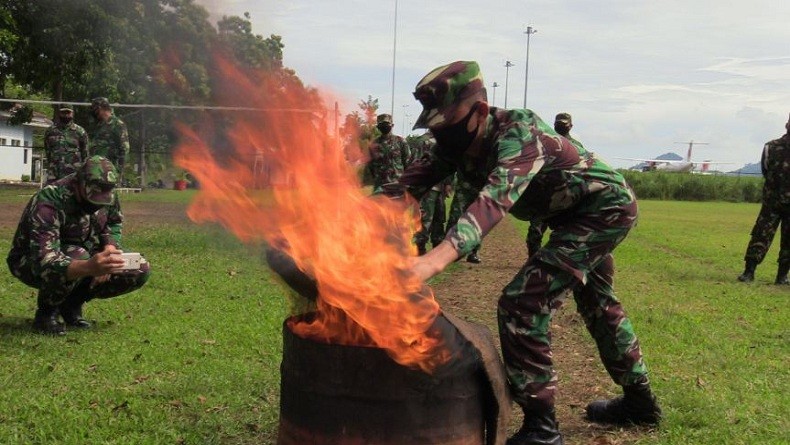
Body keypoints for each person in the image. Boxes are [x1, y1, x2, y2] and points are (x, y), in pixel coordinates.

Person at [387, 61, 660, 445]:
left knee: (524, 300)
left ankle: (542, 430)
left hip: (605, 209)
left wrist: (432, 260)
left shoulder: (519, 131)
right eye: (433, 126)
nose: (439, 134)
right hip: (569, 216)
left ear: (479, 111)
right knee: (599, 301)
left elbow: (494, 199)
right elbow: (402, 188)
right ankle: (640, 404)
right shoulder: (456, 143)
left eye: (446, 124)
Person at [6, 156, 151, 335]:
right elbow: (43, 258)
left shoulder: (107, 192)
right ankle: (46, 314)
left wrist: (110, 249)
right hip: (29, 262)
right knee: (79, 255)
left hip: (85, 255)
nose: (96, 204)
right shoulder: (50, 199)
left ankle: (72, 305)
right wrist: (89, 267)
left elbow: (113, 222)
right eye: (92, 197)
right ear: (78, 183)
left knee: (138, 266)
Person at [737, 113, 790, 285]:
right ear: (787, 125)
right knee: (760, 235)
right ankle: (749, 272)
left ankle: (782, 276)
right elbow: (766, 170)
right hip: (772, 202)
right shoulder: (771, 147)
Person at [525, 113, 581, 257]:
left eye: (564, 123)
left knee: (567, 232)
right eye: (558, 123)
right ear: (554, 124)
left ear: (571, 126)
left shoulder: (576, 146)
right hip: (545, 195)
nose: (561, 126)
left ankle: (563, 262)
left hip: (567, 196)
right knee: (535, 233)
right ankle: (533, 260)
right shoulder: (544, 142)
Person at [43, 104, 89, 183]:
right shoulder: (50, 131)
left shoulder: (80, 131)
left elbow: (85, 154)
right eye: (63, 112)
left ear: (72, 113)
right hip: (54, 173)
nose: (66, 115)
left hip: (73, 174)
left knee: (73, 195)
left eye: (68, 112)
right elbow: (48, 151)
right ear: (59, 113)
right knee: (52, 194)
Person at [366, 113, 411, 194]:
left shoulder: (401, 141)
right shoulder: (373, 145)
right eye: (381, 124)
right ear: (377, 127)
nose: (384, 126)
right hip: (380, 187)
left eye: (386, 124)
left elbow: (408, 163)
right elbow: (371, 166)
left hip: (397, 185)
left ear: (392, 125)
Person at [88, 97, 130, 181]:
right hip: (97, 170)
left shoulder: (117, 124)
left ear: (100, 108)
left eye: (95, 109)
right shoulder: (99, 125)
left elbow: (124, 149)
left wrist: (118, 171)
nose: (94, 112)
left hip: (111, 171)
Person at [446, 173, 483, 263]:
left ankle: (473, 252)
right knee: (455, 217)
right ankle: (449, 250)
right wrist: (448, 182)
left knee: (477, 221)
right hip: (463, 188)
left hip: (481, 189)